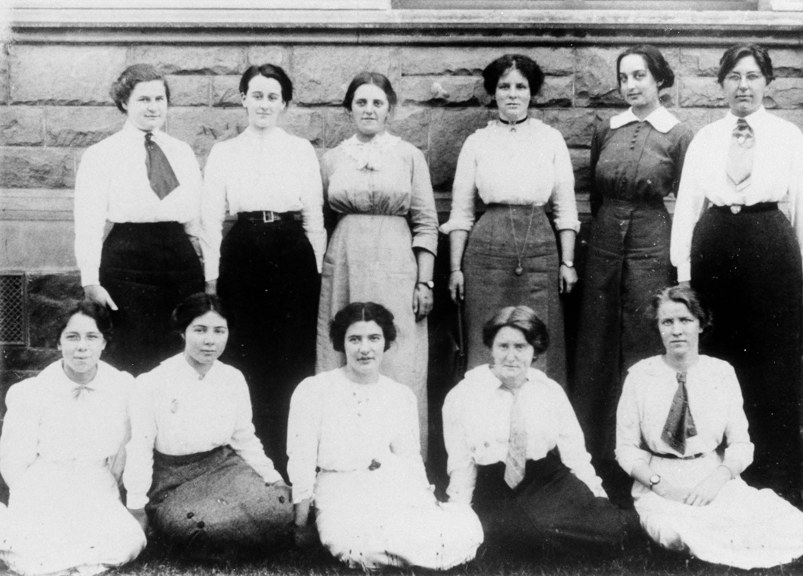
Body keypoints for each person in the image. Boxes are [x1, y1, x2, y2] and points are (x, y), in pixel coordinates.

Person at [670, 43, 803, 504]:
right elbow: (687, 206)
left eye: (751, 76)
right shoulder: (707, 138)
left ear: (768, 82)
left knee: (773, 359)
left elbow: (801, 206)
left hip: (770, 247)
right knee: (720, 358)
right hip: (716, 247)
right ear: (721, 84)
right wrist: (685, 273)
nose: (742, 86)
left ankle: (778, 474)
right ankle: (720, 474)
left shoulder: (788, 136)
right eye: (733, 77)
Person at [572, 45, 694, 502]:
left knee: (645, 342)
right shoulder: (608, 130)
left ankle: (648, 459)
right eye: (624, 77)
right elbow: (597, 199)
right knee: (597, 343)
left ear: (659, 80)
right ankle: (597, 458)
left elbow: (688, 202)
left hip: (650, 244)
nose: (631, 85)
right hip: (604, 245)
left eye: (640, 76)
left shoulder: (678, 134)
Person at [616, 285, 803, 569]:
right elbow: (625, 448)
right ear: (658, 327)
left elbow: (741, 443)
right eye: (667, 322)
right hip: (659, 480)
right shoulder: (640, 376)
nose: (677, 330)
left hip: (710, 475)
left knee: (775, 522)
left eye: (685, 320)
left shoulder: (721, 372)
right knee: (672, 530)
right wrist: (660, 485)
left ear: (701, 325)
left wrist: (717, 479)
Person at [289, 302, 482, 570]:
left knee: (456, 531)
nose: (365, 348)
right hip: (340, 492)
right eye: (354, 339)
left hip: (391, 487)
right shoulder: (314, 390)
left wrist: (424, 503)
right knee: (360, 546)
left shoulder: (399, 395)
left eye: (374, 338)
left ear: (385, 342)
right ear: (341, 342)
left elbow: (409, 460)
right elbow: (301, 460)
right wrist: (301, 526)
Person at [201, 63, 324, 474]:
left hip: (291, 253)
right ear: (243, 99)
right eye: (257, 95)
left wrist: (317, 273)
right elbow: (209, 219)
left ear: (285, 103)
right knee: (245, 353)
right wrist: (212, 276)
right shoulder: (225, 151)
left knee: (291, 354)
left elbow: (314, 219)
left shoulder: (300, 149)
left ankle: (291, 462)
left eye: (273, 96)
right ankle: (248, 463)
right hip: (243, 252)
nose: (264, 103)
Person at [443, 306, 638, 555]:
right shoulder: (464, 395)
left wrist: (597, 498)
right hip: (496, 483)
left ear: (534, 350)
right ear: (490, 347)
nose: (511, 356)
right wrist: (459, 512)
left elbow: (574, 453)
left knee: (616, 528)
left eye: (520, 347)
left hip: (547, 477)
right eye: (503, 346)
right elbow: (461, 463)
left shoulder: (548, 390)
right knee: (533, 532)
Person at [315, 72, 438, 454]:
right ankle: (341, 455)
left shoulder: (409, 155)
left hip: (397, 267)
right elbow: (319, 218)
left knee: (400, 360)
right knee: (343, 352)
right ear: (349, 108)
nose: (369, 109)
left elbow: (426, 222)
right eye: (361, 102)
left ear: (389, 109)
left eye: (377, 103)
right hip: (346, 264)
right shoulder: (332, 158)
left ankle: (403, 460)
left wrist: (425, 282)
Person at [123, 293, 292, 562]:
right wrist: (136, 505)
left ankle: (228, 544)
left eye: (219, 331)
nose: (209, 340)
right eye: (199, 330)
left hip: (224, 467)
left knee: (280, 508)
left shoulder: (232, 378)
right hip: (173, 479)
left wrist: (273, 478)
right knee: (196, 529)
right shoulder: (153, 382)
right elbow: (140, 448)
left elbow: (244, 438)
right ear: (182, 332)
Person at [442, 54, 579, 385]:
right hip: (487, 247)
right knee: (486, 338)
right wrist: (456, 268)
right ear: (493, 92)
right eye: (504, 86)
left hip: (540, 245)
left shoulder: (550, 139)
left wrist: (568, 262)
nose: (513, 94)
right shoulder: (477, 142)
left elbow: (565, 207)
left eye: (521, 86)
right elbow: (460, 211)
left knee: (537, 335)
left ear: (532, 92)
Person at [74, 63, 204, 376]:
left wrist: (205, 268)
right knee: (132, 353)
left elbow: (196, 218)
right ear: (124, 103)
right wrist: (90, 280)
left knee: (178, 350)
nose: (153, 107)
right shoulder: (102, 154)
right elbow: (88, 222)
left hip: (177, 256)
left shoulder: (181, 151)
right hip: (127, 257)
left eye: (160, 99)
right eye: (144, 99)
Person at [0, 301, 146, 576]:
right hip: (42, 486)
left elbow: (122, 455)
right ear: (58, 343)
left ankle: (63, 562)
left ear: (104, 343)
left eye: (92, 337)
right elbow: (13, 463)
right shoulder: (31, 392)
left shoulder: (124, 387)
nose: (82, 347)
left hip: (96, 486)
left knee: (128, 539)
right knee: (36, 539)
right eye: (72, 337)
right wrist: (35, 498)